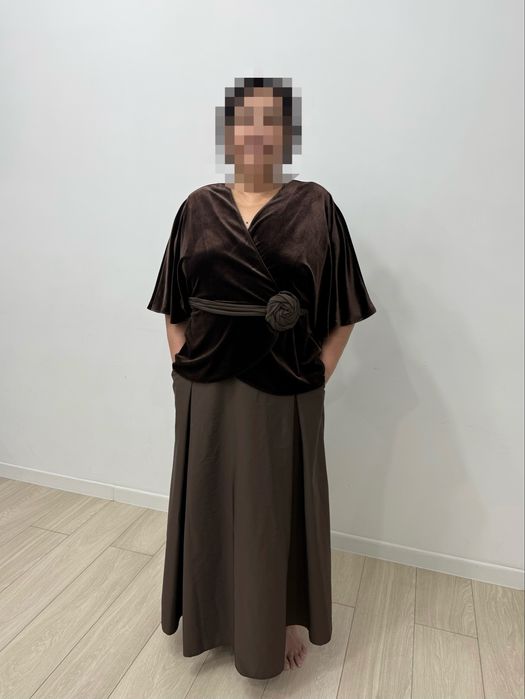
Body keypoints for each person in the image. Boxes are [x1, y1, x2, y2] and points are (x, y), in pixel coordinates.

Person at [146, 77, 377, 680]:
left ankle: (282, 616)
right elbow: (173, 304)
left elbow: (346, 309)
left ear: (287, 133)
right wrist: (180, 365)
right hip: (205, 383)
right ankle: (211, 616)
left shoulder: (316, 206)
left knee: (274, 508)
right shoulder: (197, 206)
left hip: (285, 385)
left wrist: (318, 372)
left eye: (270, 120)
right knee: (210, 501)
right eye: (244, 120)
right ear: (228, 132)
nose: (256, 132)